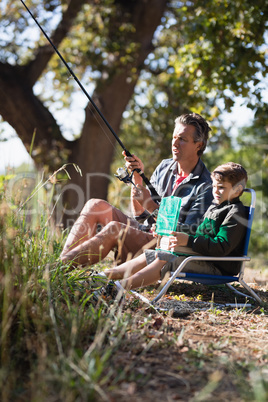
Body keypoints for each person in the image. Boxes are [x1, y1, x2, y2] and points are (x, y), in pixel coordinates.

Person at [60, 113, 213, 267]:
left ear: (198, 145)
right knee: (95, 205)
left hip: (164, 248)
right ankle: (61, 265)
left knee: (115, 228)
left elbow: (187, 235)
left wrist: (151, 206)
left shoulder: (206, 186)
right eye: (174, 137)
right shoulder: (164, 167)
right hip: (144, 232)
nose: (175, 143)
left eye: (182, 139)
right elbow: (140, 215)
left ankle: (59, 268)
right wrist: (137, 178)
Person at [101, 162, 248, 293]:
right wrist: (169, 230)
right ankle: (102, 277)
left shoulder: (235, 212)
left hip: (217, 267)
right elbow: (198, 232)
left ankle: (117, 288)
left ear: (237, 190)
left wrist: (189, 241)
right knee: (152, 254)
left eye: (221, 187)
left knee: (165, 260)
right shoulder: (215, 207)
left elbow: (221, 246)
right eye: (214, 186)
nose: (215, 191)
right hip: (202, 256)